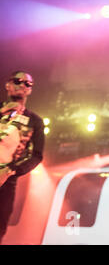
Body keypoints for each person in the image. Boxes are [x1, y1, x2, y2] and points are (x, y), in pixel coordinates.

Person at [0, 71, 45, 244]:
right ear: (8, 85)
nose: (23, 85)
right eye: (18, 81)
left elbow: (37, 155)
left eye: (28, 84)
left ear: (30, 90)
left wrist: (11, 171)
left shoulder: (35, 121)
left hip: (6, 180)